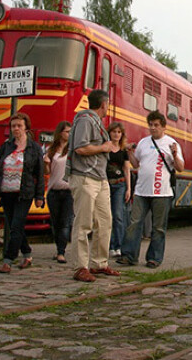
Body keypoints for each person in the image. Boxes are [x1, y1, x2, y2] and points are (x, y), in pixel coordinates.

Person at [117, 110, 184, 268]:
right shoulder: (143, 142)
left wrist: (174, 155)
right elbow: (136, 164)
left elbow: (180, 168)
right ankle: (129, 256)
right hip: (141, 191)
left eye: (156, 125)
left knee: (158, 227)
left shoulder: (172, 144)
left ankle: (154, 258)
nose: (153, 128)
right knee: (134, 223)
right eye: (150, 125)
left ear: (163, 127)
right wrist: (129, 153)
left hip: (162, 193)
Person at [66, 89, 119, 282]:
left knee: (105, 221)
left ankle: (99, 263)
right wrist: (104, 147)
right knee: (83, 223)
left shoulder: (97, 123)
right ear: (104, 104)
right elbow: (80, 148)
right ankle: (80, 266)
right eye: (108, 104)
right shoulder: (86, 120)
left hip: (99, 178)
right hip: (85, 177)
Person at [0, 112, 44, 274]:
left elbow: (39, 174)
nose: (16, 129)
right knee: (15, 227)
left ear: (26, 128)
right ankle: (27, 254)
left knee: (16, 226)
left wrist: (39, 196)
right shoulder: (6, 147)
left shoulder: (34, 148)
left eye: (19, 125)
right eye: (13, 126)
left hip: (24, 194)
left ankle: (8, 260)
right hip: (6, 193)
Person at [44, 121, 73, 264]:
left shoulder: (73, 150)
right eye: (67, 131)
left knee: (65, 223)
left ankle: (61, 252)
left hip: (69, 191)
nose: (69, 134)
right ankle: (58, 249)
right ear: (60, 132)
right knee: (55, 223)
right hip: (53, 191)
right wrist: (46, 163)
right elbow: (47, 172)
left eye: (70, 131)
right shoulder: (52, 149)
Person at [107, 122, 132, 258]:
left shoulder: (124, 151)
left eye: (119, 132)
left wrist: (128, 189)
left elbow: (126, 170)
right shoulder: (105, 148)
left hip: (120, 185)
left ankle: (119, 246)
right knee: (107, 216)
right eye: (114, 132)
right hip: (106, 184)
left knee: (118, 215)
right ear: (109, 133)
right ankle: (110, 246)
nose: (116, 134)